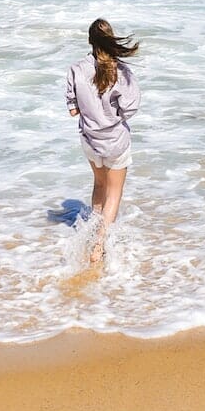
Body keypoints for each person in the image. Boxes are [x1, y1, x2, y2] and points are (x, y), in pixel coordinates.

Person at [65, 18, 140, 265]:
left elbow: (73, 110)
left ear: (89, 40)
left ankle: (89, 234)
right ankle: (99, 245)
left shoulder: (76, 69)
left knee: (99, 185)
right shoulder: (121, 71)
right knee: (114, 192)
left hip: (89, 140)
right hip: (115, 141)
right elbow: (129, 109)